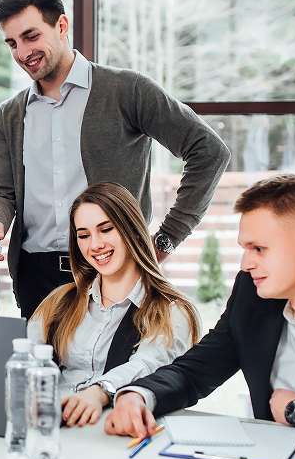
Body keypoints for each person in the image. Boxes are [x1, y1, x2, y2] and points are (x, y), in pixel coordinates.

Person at [0, 0, 231, 319]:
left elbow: (209, 152)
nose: (22, 53)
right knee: (39, 357)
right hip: (37, 279)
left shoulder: (127, 90)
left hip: (114, 268)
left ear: (61, 26)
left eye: (31, 36)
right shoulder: (9, 115)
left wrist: (165, 240)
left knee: (122, 357)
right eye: (12, 44)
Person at [106, 174, 295, 446]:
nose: (246, 264)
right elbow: (196, 370)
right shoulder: (252, 294)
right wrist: (140, 395)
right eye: (245, 249)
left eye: (259, 249)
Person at [32, 183, 199, 427]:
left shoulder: (170, 311)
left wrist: (98, 392)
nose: (95, 245)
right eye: (84, 235)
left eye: (106, 229)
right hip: (55, 428)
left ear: (132, 229)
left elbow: (147, 365)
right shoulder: (59, 301)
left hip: (118, 430)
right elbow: (26, 361)